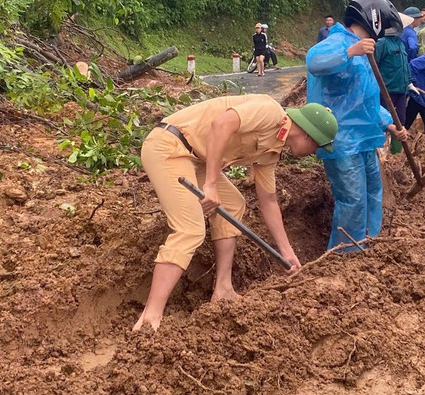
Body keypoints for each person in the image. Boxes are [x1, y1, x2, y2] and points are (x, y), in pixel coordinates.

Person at [134, 96, 339, 331]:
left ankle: (223, 289)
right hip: (170, 145)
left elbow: (269, 200)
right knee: (190, 229)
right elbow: (221, 123)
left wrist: (287, 251)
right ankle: (150, 318)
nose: (315, 153)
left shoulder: (272, 152)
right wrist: (210, 184)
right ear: (308, 135)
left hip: (197, 159)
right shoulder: (270, 112)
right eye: (318, 147)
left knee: (233, 204)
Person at [307, 0, 409, 252]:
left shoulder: (366, 51)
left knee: (373, 192)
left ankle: (368, 243)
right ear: (373, 19)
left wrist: (389, 124)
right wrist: (350, 51)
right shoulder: (339, 40)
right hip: (341, 141)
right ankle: (345, 256)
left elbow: (367, 100)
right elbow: (314, 61)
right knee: (352, 200)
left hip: (364, 139)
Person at [374, 14, 412, 126]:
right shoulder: (382, 43)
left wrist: (409, 82)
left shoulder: (400, 43)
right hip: (387, 91)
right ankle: (384, 143)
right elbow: (373, 65)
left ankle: (397, 144)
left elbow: (405, 64)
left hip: (401, 90)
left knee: (400, 122)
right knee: (385, 123)